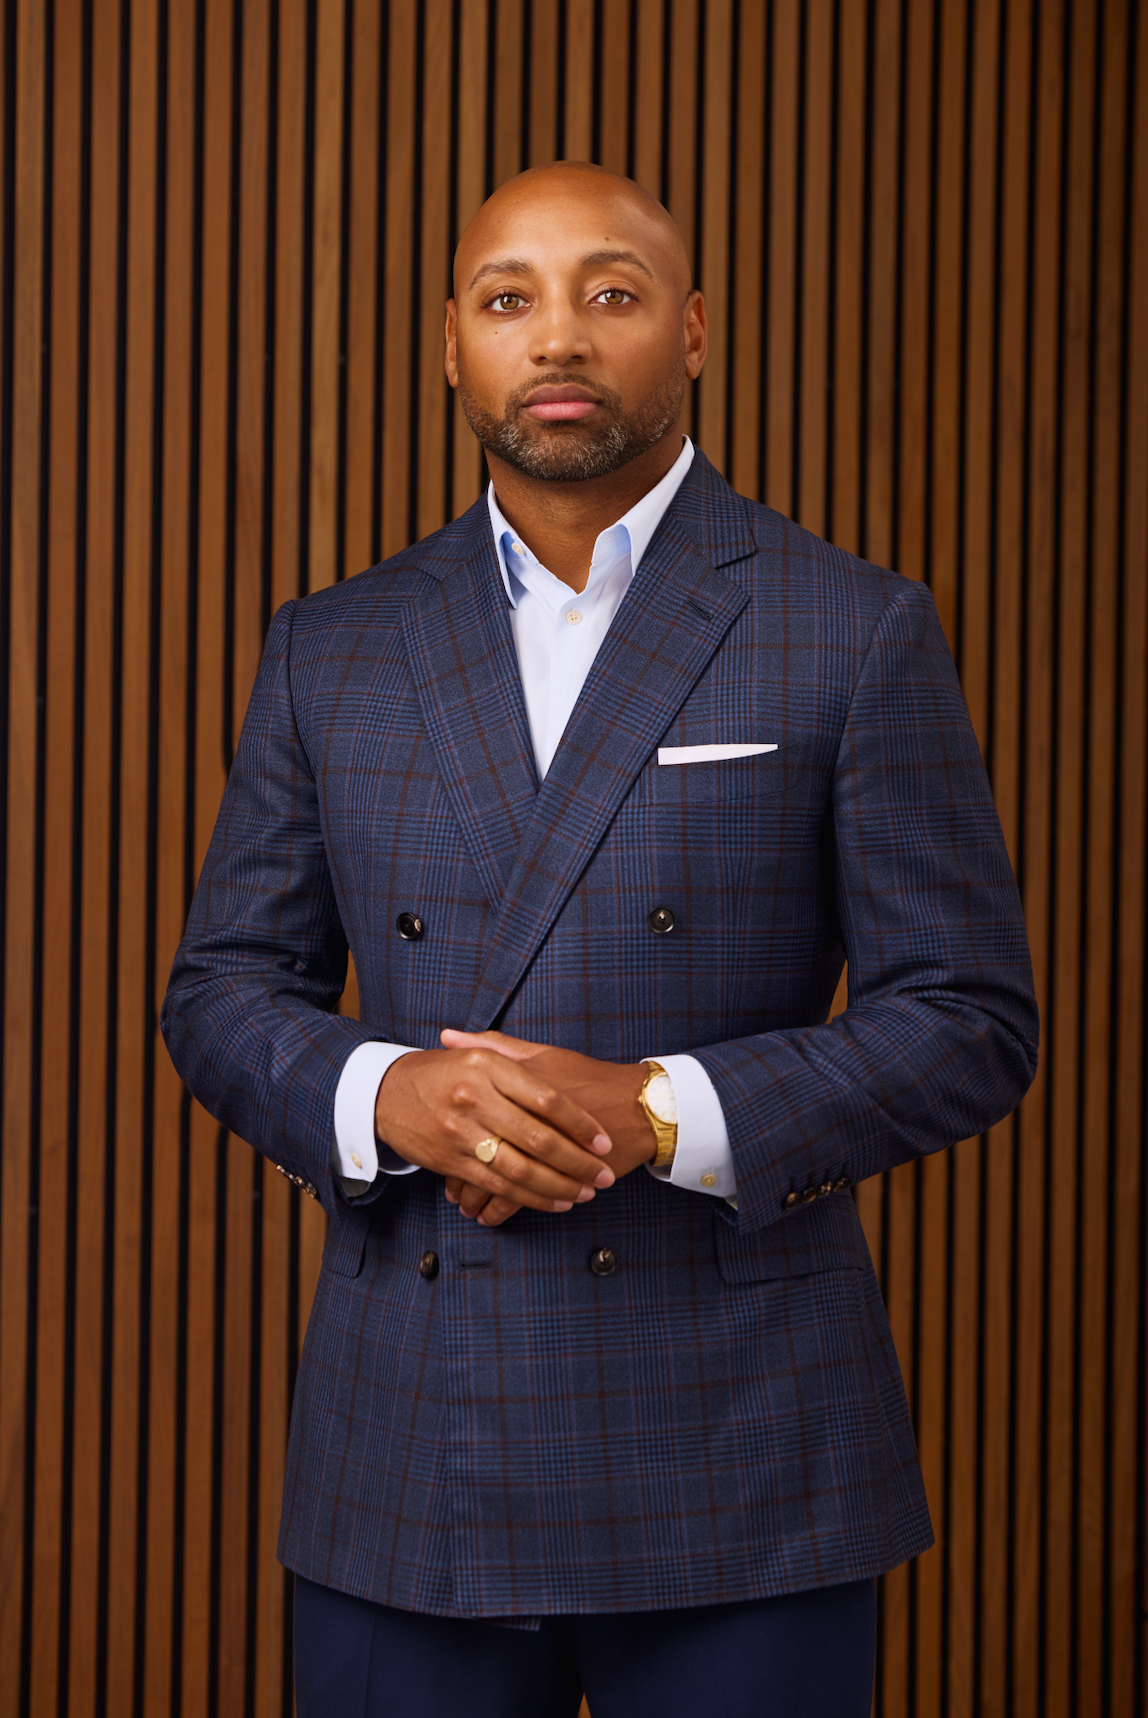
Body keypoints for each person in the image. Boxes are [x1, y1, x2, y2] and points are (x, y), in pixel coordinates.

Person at [162, 162, 1038, 1717]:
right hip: (404, 1444)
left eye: (610, 293)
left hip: (749, 1452)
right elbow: (224, 989)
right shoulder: (333, 643)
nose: (556, 337)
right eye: (509, 299)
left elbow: (970, 1014)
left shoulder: (852, 625)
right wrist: (386, 1096)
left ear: (692, 331)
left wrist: (655, 1112)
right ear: (451, 345)